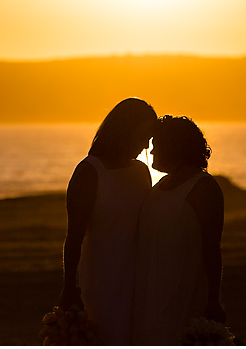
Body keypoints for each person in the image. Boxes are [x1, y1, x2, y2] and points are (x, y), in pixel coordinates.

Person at [59, 97, 156, 345]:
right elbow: (74, 237)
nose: (145, 144)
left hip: (139, 282)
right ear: (125, 130)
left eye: (150, 138)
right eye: (142, 135)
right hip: (102, 285)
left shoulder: (141, 172)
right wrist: (69, 286)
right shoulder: (89, 172)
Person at [131, 115, 226, 345]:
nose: (151, 152)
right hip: (149, 289)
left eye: (157, 146)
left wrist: (214, 300)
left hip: (184, 290)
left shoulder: (203, 188)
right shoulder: (160, 186)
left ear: (175, 147)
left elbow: (212, 250)